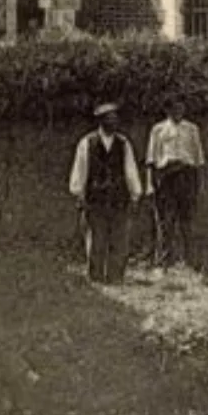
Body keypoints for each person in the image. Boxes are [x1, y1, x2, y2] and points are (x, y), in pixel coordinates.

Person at [68, 101, 142, 285]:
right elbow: (80, 169)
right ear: (100, 121)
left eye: (115, 118)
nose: (113, 122)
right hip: (96, 197)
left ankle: (116, 276)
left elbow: (130, 170)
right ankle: (96, 276)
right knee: (96, 238)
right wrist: (79, 194)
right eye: (109, 119)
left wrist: (135, 194)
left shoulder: (123, 143)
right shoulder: (87, 143)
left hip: (118, 197)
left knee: (119, 238)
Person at [144, 97, 204, 269]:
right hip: (166, 177)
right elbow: (151, 159)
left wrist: (199, 183)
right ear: (167, 111)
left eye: (181, 109)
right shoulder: (158, 130)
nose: (178, 112)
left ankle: (191, 262)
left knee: (188, 220)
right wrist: (149, 184)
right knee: (165, 221)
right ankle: (163, 263)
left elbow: (198, 158)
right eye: (174, 109)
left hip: (186, 176)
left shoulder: (192, 129)